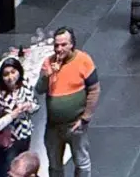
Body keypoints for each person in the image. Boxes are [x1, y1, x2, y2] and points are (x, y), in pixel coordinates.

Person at [36, 27, 98, 177]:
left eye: (63, 45)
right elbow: (39, 89)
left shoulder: (84, 60)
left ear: (72, 44)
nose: (59, 49)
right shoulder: (48, 63)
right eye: (56, 45)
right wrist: (47, 76)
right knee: (55, 166)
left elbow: (94, 90)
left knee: (81, 163)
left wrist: (85, 118)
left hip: (76, 125)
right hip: (53, 127)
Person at [0, 57, 37, 177]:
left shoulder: (25, 85)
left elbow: (34, 104)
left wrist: (30, 106)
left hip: (25, 136)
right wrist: (11, 116)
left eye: (13, 72)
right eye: (6, 74)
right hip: (8, 144)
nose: (10, 77)